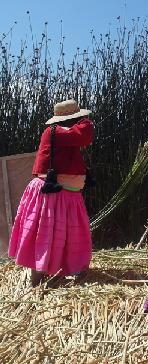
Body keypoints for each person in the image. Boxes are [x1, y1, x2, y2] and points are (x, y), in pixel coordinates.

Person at [9, 99, 95, 286]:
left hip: (67, 196)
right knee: (45, 234)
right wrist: (86, 120)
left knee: (67, 236)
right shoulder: (55, 132)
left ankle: (65, 269)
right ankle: (37, 277)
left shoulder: (66, 134)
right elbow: (85, 134)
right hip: (52, 196)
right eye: (79, 118)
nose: (82, 121)